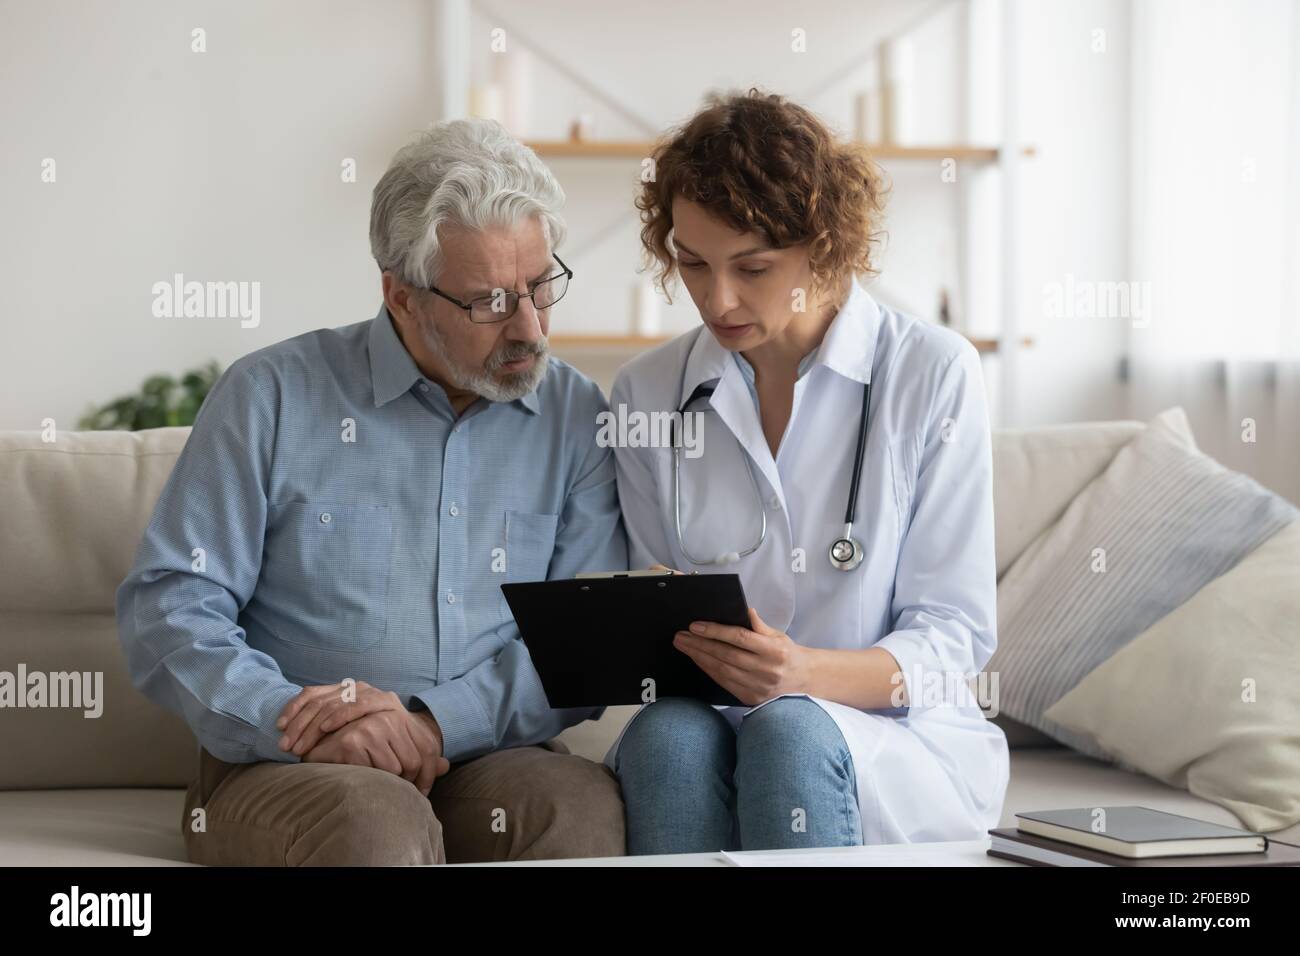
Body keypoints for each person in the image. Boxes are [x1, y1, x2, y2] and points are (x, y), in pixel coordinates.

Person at [116, 118, 628, 865]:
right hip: (293, 763)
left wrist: (431, 724)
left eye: (540, 286)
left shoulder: (575, 417)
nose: (530, 329)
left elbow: (584, 639)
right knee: (373, 823)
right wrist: (298, 716)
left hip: (489, 756)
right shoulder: (271, 396)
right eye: (489, 302)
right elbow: (168, 603)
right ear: (402, 297)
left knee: (579, 809)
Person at [607, 90, 1010, 853]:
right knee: (665, 739)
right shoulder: (648, 392)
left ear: (824, 246)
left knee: (791, 731)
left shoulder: (930, 372)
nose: (716, 299)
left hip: (892, 735)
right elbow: (648, 597)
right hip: (710, 717)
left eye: (752, 267)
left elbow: (952, 639)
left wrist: (803, 674)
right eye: (692, 264)